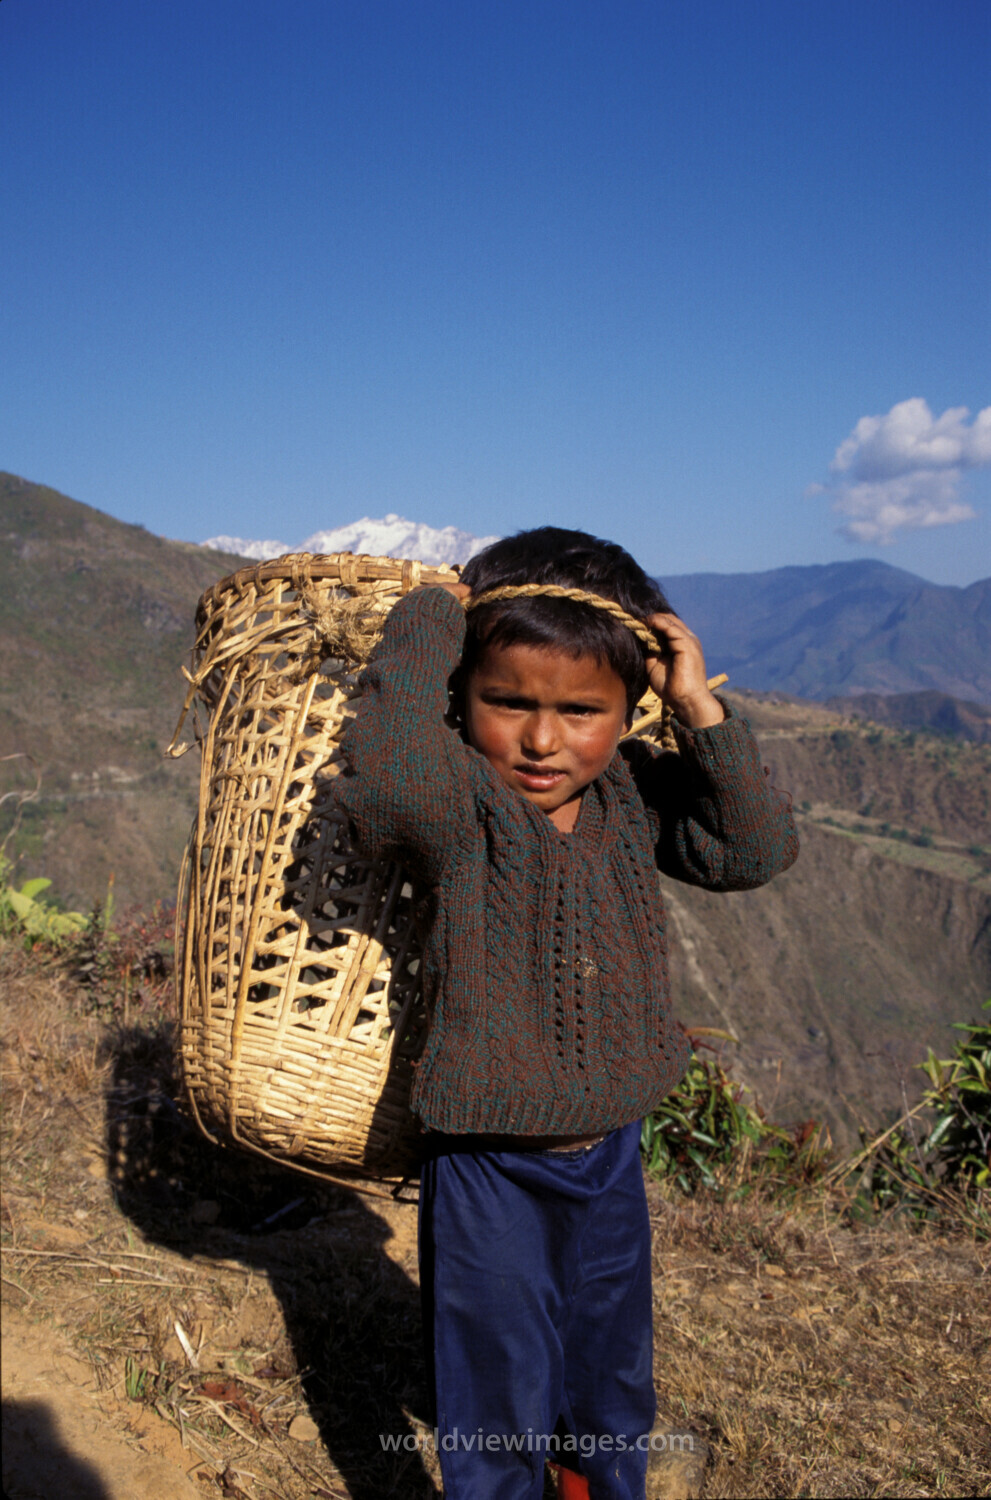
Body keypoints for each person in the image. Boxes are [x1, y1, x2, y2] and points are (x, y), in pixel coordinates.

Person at [335, 526, 798, 1499]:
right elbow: (380, 766)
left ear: (627, 713)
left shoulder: (629, 793)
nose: (543, 740)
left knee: (610, 1375)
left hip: (610, 1157)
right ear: (461, 696)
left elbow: (750, 851)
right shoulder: (461, 805)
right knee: (498, 1391)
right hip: (488, 1164)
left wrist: (700, 708)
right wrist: (437, 612)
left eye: (581, 711)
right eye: (507, 702)